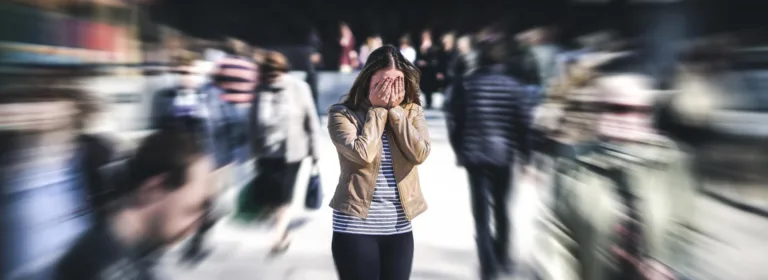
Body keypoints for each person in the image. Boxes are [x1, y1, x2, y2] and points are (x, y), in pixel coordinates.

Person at [532, 54, 685, 280]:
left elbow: (684, 230)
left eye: (638, 110)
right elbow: (554, 241)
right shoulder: (571, 170)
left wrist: (668, 263)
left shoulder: (671, 163)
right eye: (612, 108)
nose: (626, 118)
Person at [53, 130, 216, 280]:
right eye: (191, 210)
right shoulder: (102, 267)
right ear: (153, 189)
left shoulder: (128, 253)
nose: (196, 225)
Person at [327, 45, 430, 280]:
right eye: (382, 84)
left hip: (398, 228)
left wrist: (395, 113)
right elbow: (363, 153)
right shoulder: (342, 114)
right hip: (354, 227)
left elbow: (420, 153)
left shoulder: (411, 112)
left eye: (396, 83)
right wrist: (377, 111)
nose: (389, 91)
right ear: (366, 81)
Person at [443, 28, 533, 280]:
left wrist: (459, 148)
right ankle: (503, 257)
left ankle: (488, 265)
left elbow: (455, 120)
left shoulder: (467, 84)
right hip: (504, 155)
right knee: (503, 207)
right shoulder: (515, 87)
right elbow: (523, 124)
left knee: (481, 214)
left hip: (475, 155)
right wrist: (526, 157)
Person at [251, 51, 321, 253]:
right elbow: (252, 123)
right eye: (268, 74)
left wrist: (315, 154)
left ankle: (278, 236)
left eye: (275, 73)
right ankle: (283, 231)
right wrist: (253, 152)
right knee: (271, 198)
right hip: (266, 152)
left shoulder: (299, 88)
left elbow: (311, 121)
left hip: (292, 153)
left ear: (283, 70)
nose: (272, 78)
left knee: (284, 195)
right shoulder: (259, 90)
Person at [416, 29, 442, 109]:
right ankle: (426, 103)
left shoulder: (433, 47)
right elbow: (418, 58)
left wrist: (427, 63)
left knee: (429, 88)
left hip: (430, 71)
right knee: (424, 87)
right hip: (423, 71)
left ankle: (429, 103)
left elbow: (435, 60)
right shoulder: (421, 47)